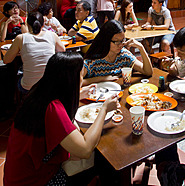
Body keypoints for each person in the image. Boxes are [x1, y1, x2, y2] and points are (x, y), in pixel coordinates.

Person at [4, 52, 119, 185]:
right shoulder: (53, 110)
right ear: (70, 80)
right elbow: (85, 150)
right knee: (104, 162)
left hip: (17, 177)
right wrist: (104, 109)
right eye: (80, 76)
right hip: (36, 181)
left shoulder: (40, 92)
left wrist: (79, 94)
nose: (82, 80)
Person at [4, 12, 65, 93]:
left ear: (27, 25)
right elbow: (62, 50)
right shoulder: (52, 35)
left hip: (29, 87)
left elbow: (6, 60)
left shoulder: (21, 38)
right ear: (43, 25)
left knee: (17, 76)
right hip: (50, 84)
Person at [82, 20, 153, 84]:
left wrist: (141, 47)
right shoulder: (93, 61)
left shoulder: (124, 55)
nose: (121, 45)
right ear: (106, 40)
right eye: (116, 42)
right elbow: (76, 82)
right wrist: (102, 79)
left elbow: (148, 72)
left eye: (122, 40)